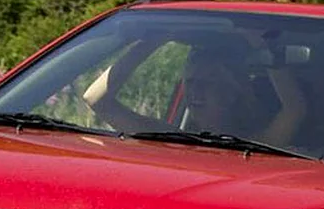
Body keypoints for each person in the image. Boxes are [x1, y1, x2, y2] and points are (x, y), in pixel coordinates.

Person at [84, 38, 306, 147]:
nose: (195, 90)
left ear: (233, 92)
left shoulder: (257, 146)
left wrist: (261, 42)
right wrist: (153, 39)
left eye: (208, 82)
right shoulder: (169, 138)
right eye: (191, 81)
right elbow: (96, 100)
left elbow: (294, 109)